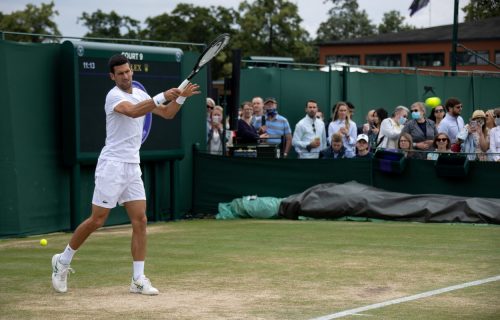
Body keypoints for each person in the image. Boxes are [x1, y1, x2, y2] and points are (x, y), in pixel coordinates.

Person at [51, 54, 200, 295]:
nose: (126, 76)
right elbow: (132, 112)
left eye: (128, 71)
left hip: (132, 166)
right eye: (120, 73)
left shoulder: (141, 94)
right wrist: (163, 95)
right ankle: (63, 260)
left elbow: (168, 113)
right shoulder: (114, 96)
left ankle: (138, 279)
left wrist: (180, 97)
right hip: (112, 165)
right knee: (97, 220)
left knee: (140, 220)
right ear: (113, 77)